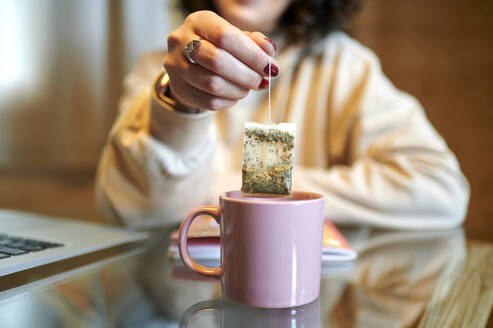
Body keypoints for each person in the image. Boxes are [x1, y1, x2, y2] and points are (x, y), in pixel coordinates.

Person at [96, 0, 470, 229]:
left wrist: (247, 190)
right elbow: (126, 204)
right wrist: (178, 100)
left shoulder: (344, 67)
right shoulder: (161, 66)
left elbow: (440, 189)